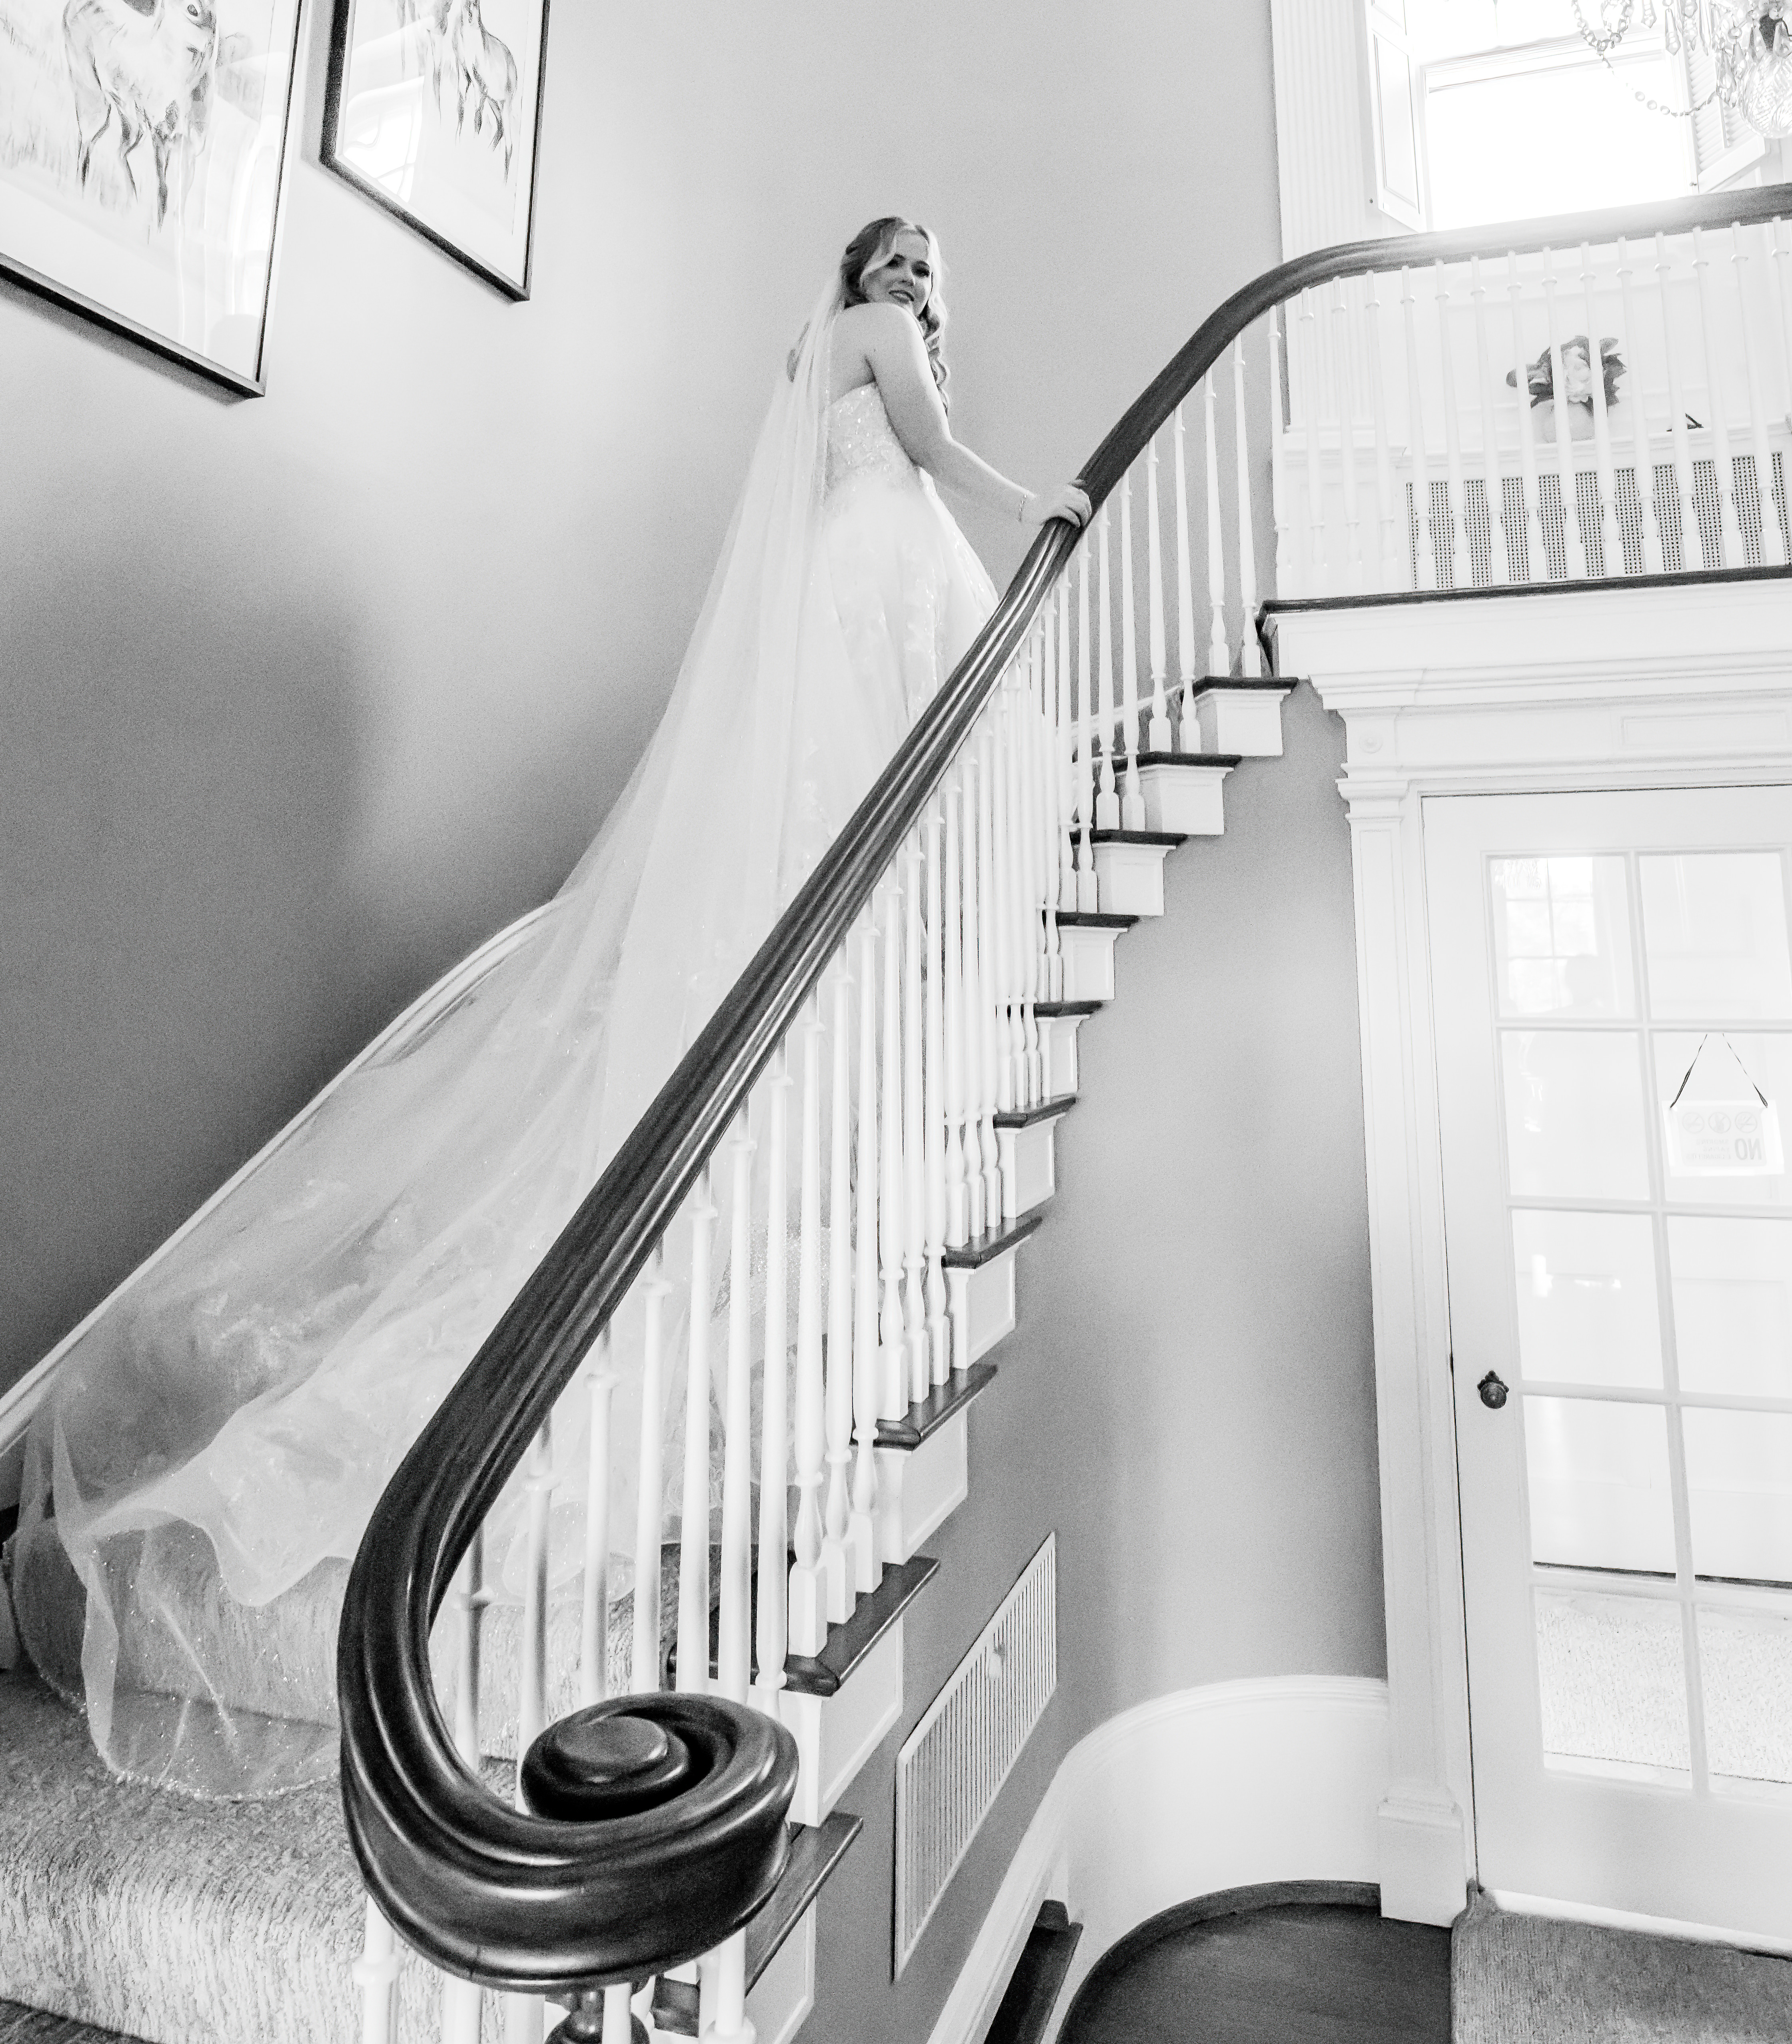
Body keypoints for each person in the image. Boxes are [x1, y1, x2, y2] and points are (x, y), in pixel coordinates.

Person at [8, 216, 1088, 1796]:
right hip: (878, 615)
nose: (927, 277)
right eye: (904, 257)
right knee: (872, 853)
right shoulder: (868, 352)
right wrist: (1035, 502)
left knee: (863, 858)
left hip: (866, 628)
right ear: (861, 275)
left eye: (939, 264)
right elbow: (930, 446)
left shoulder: (814, 376)